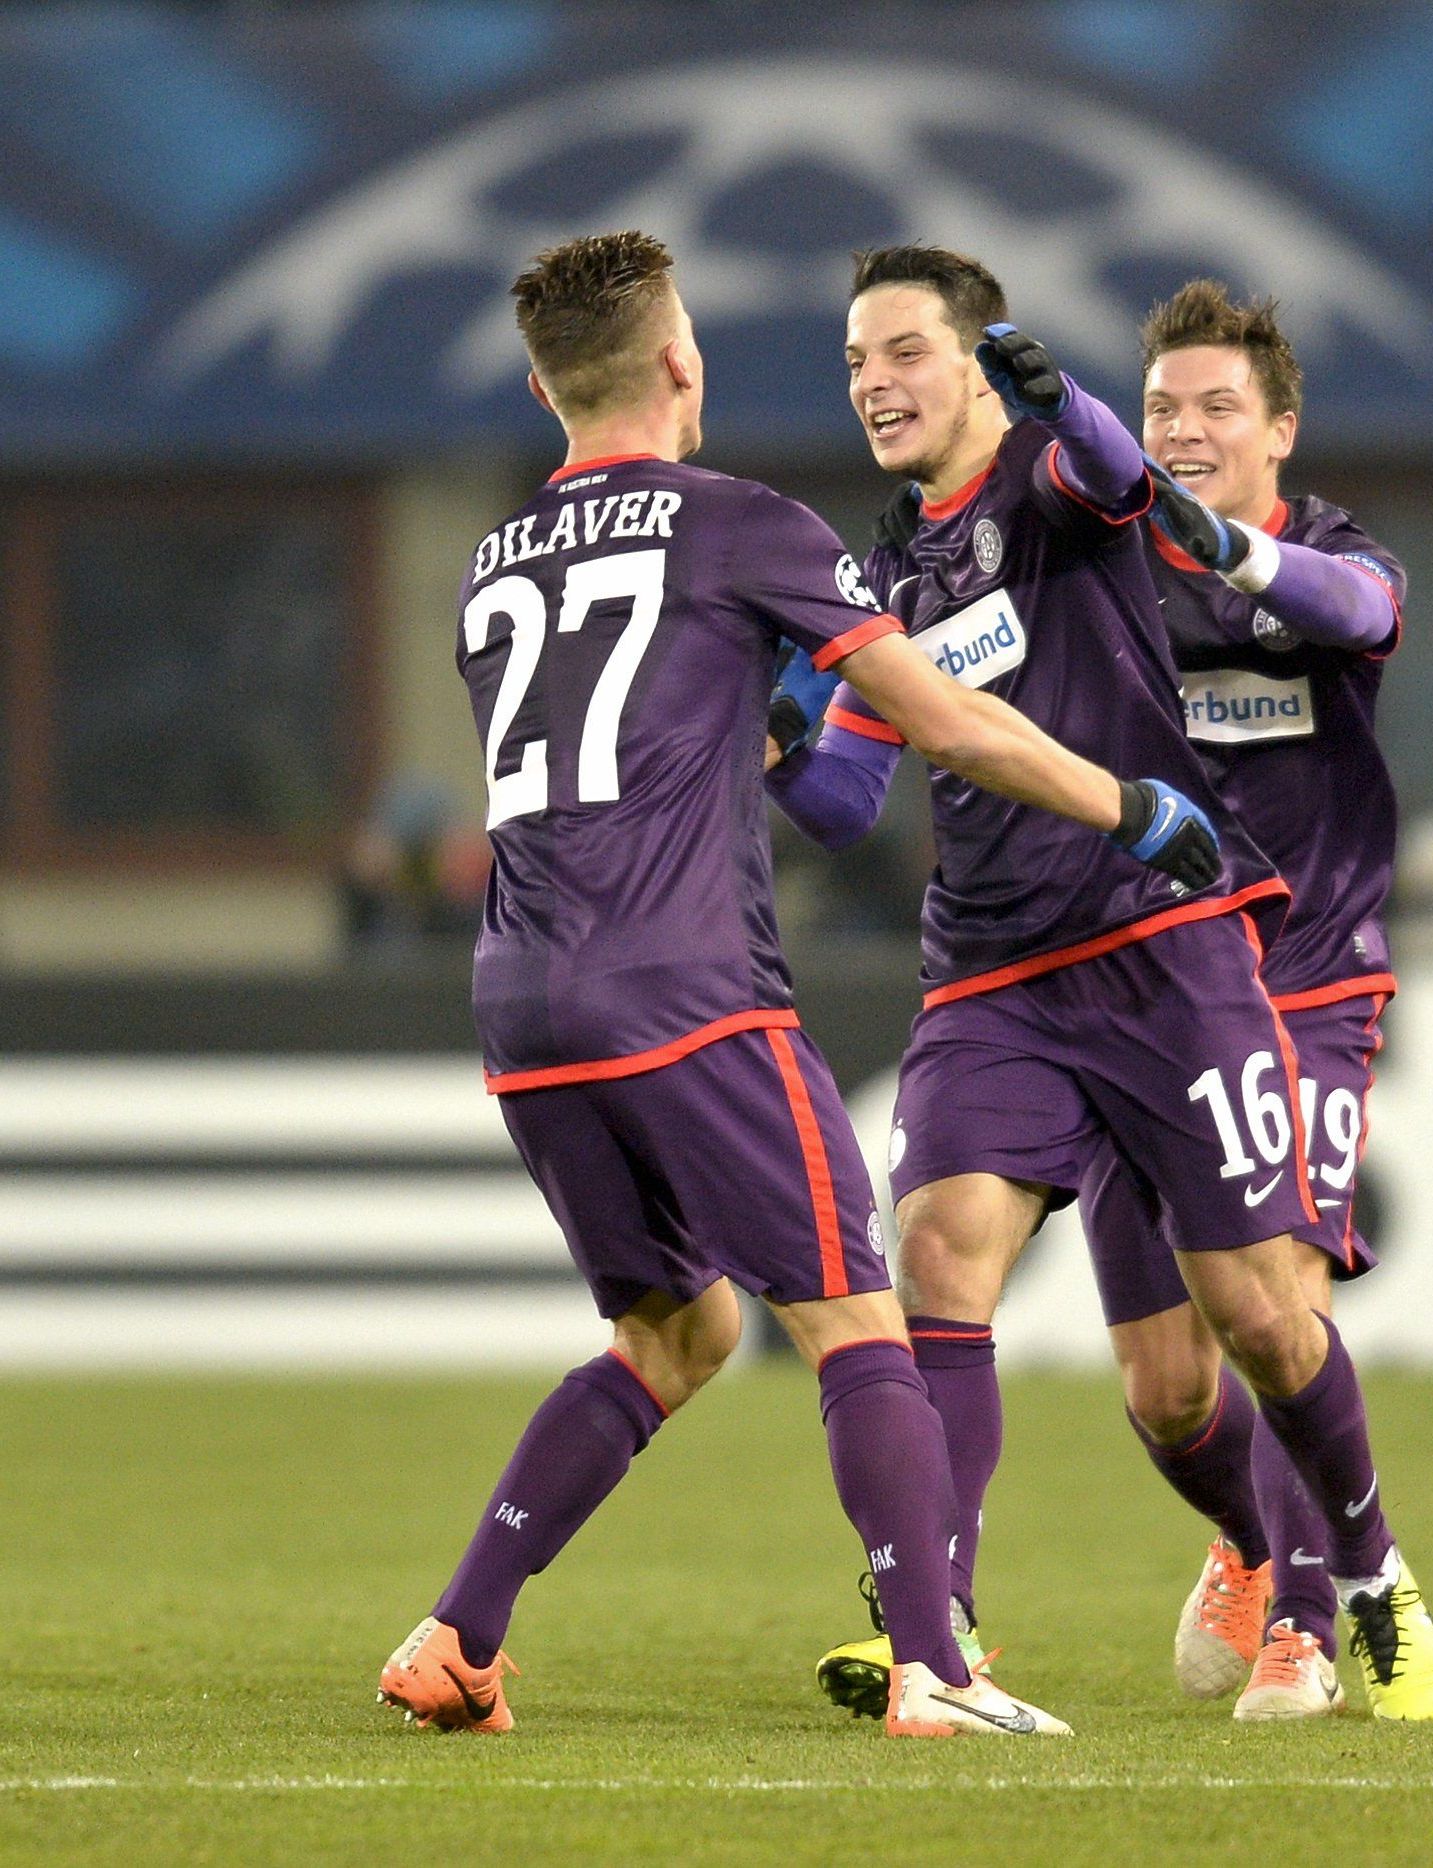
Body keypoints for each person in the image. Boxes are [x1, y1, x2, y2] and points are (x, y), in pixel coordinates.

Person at [379, 230, 1218, 1741]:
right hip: (689, 990)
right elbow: (942, 721)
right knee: (857, 1325)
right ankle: (935, 1674)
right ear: (680, 364)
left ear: (539, 386)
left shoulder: (492, 558)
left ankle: (456, 1637)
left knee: (677, 1335)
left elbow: (713, 751)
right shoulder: (739, 521)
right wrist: (1128, 805)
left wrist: (766, 722)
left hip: (522, 1004)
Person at [770, 246, 1433, 1722]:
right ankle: (932, 1627)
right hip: (996, 972)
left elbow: (1124, 484)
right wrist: (777, 730)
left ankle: (1356, 1571)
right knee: (943, 1255)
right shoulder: (885, 573)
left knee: (1261, 1321)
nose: (874, 384)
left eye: (902, 352)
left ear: (975, 362)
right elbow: (839, 799)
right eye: (853, 363)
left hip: (1174, 953)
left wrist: (1071, 402)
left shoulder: (1062, 489)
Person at [1081, 279, 1412, 1721]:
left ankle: (1308, 1610)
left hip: (1307, 985)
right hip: (1140, 992)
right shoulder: (1102, 571)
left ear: (1280, 426)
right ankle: (1248, 1538)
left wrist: (1229, 552)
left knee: (1272, 1304)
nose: (1187, 428)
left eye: (1218, 405)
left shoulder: (1332, 556)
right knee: (1165, 1386)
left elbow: (1359, 609)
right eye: (1161, 409)